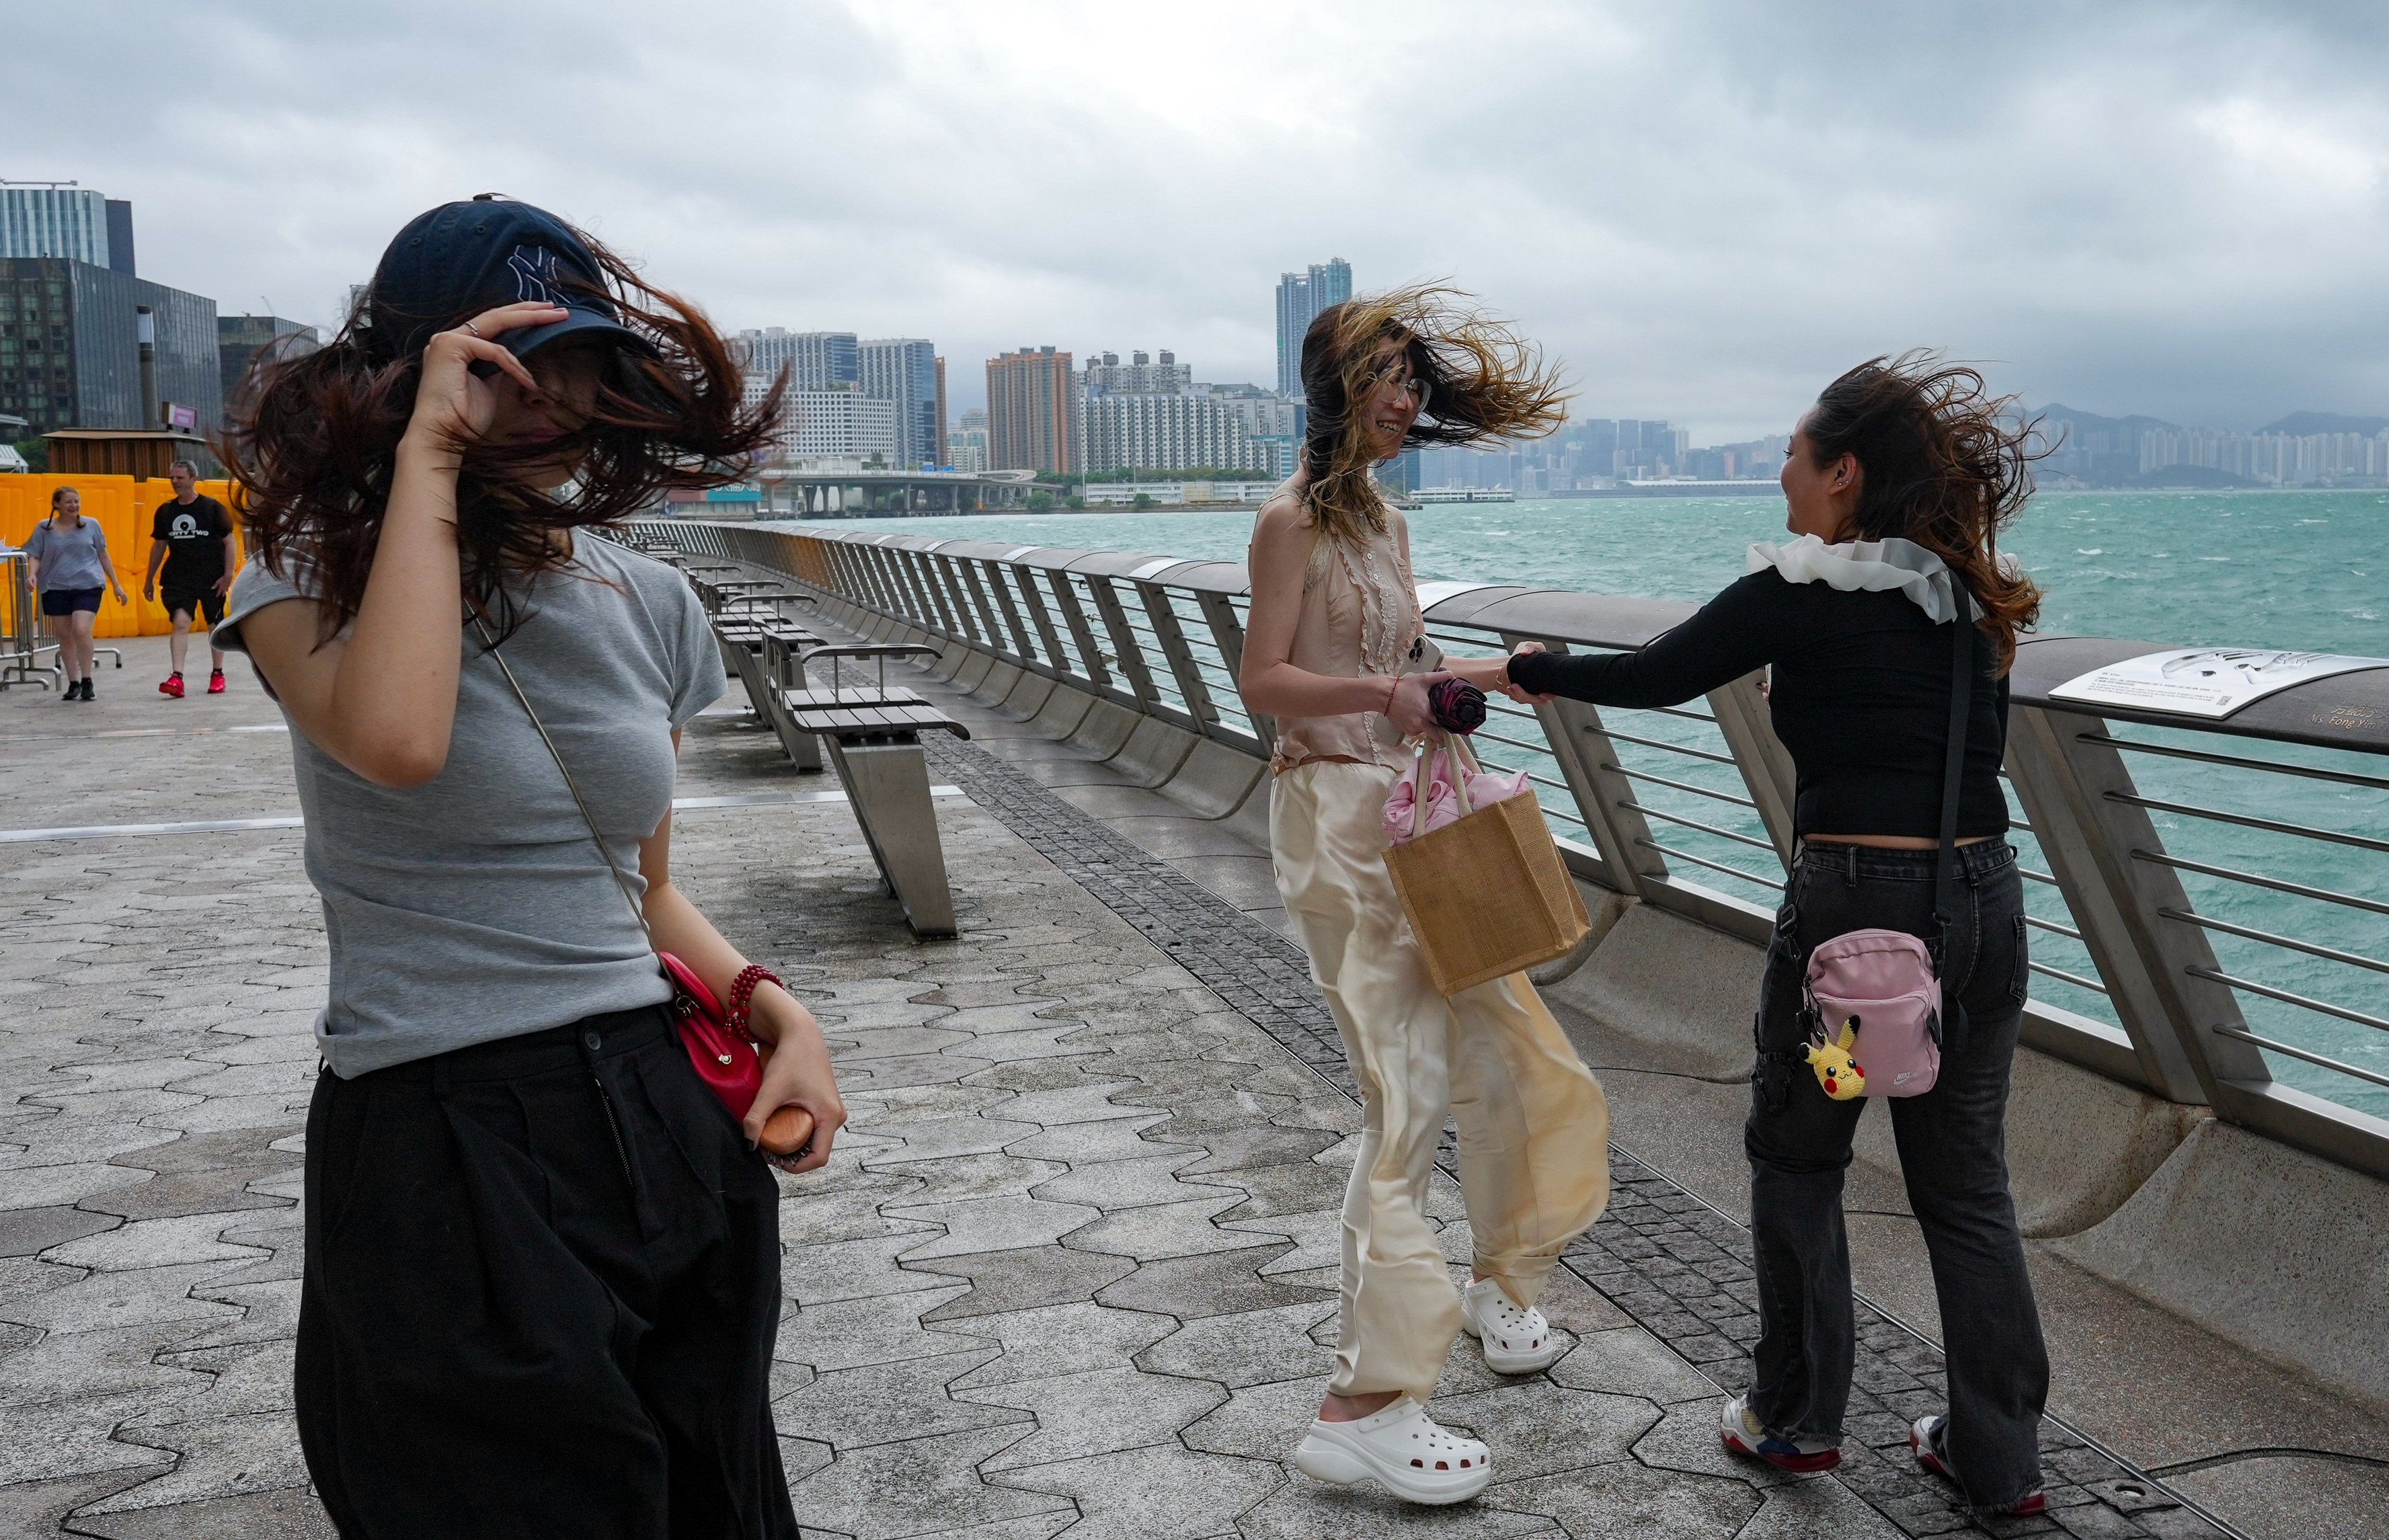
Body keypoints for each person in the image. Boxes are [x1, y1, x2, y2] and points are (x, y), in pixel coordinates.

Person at [214, 196, 843, 1539]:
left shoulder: (645, 599)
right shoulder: (299, 572)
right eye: (506, 361)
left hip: (661, 1121)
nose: (552, 398)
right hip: (445, 1130)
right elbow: (396, 737)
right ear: (410, 368)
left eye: (579, 359)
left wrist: (779, 1010)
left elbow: (644, 885)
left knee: (716, 1503)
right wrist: (432, 460)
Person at [1504, 353, 2049, 1518]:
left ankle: (1795, 1418)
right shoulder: (1967, 598)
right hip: (1979, 923)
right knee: (1964, 1191)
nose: (1780, 478)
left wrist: (1528, 669)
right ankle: (1998, 1462)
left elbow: (1657, 674)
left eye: (1794, 458)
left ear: (1842, 474)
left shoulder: (1800, 592)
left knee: (1803, 1151)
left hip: (1858, 950)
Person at [1240, 286, 1611, 1506]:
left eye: (1413, 379)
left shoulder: (1386, 525)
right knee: (1400, 1097)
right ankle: (1366, 1402)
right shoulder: (1288, 520)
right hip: (1333, 824)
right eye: (1385, 378)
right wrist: (1388, 703)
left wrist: (1482, 675)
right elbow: (1267, 683)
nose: (1406, 399)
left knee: (1516, 1057)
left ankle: (1506, 1292)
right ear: (1332, 390)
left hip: (1407, 823)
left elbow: (1392, 669)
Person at [21, 484, 128, 702]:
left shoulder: (91, 525)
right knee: (65, 635)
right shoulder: (44, 528)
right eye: (68, 501)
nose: (73, 505)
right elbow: (35, 554)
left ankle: (87, 679)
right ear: (57, 504)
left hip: (88, 585)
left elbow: (103, 554)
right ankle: (74, 682)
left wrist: (116, 584)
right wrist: (33, 574)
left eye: (76, 501)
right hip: (55, 587)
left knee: (80, 629)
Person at [143, 458, 240, 697]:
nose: (175, 482)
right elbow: (159, 546)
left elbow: (230, 541)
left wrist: (228, 575)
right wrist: (149, 579)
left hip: (211, 577)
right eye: (172, 477)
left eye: (180, 478)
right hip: (179, 578)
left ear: (194, 479)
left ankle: (218, 673)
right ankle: (177, 677)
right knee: (180, 622)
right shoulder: (166, 511)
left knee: (214, 625)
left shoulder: (212, 508)